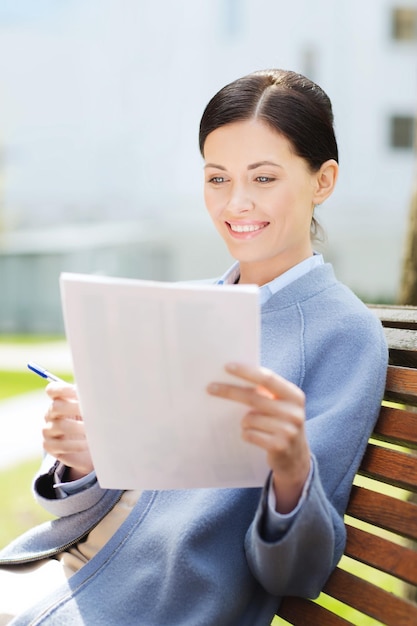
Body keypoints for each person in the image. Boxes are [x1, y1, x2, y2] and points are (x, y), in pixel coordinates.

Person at [0, 69, 388, 625]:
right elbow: (90, 506)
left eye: (262, 178)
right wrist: (84, 460)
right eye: (217, 178)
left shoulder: (341, 336)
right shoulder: (177, 307)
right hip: (65, 568)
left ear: (322, 181)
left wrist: (292, 470)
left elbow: (295, 574)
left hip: (151, 603)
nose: (236, 204)